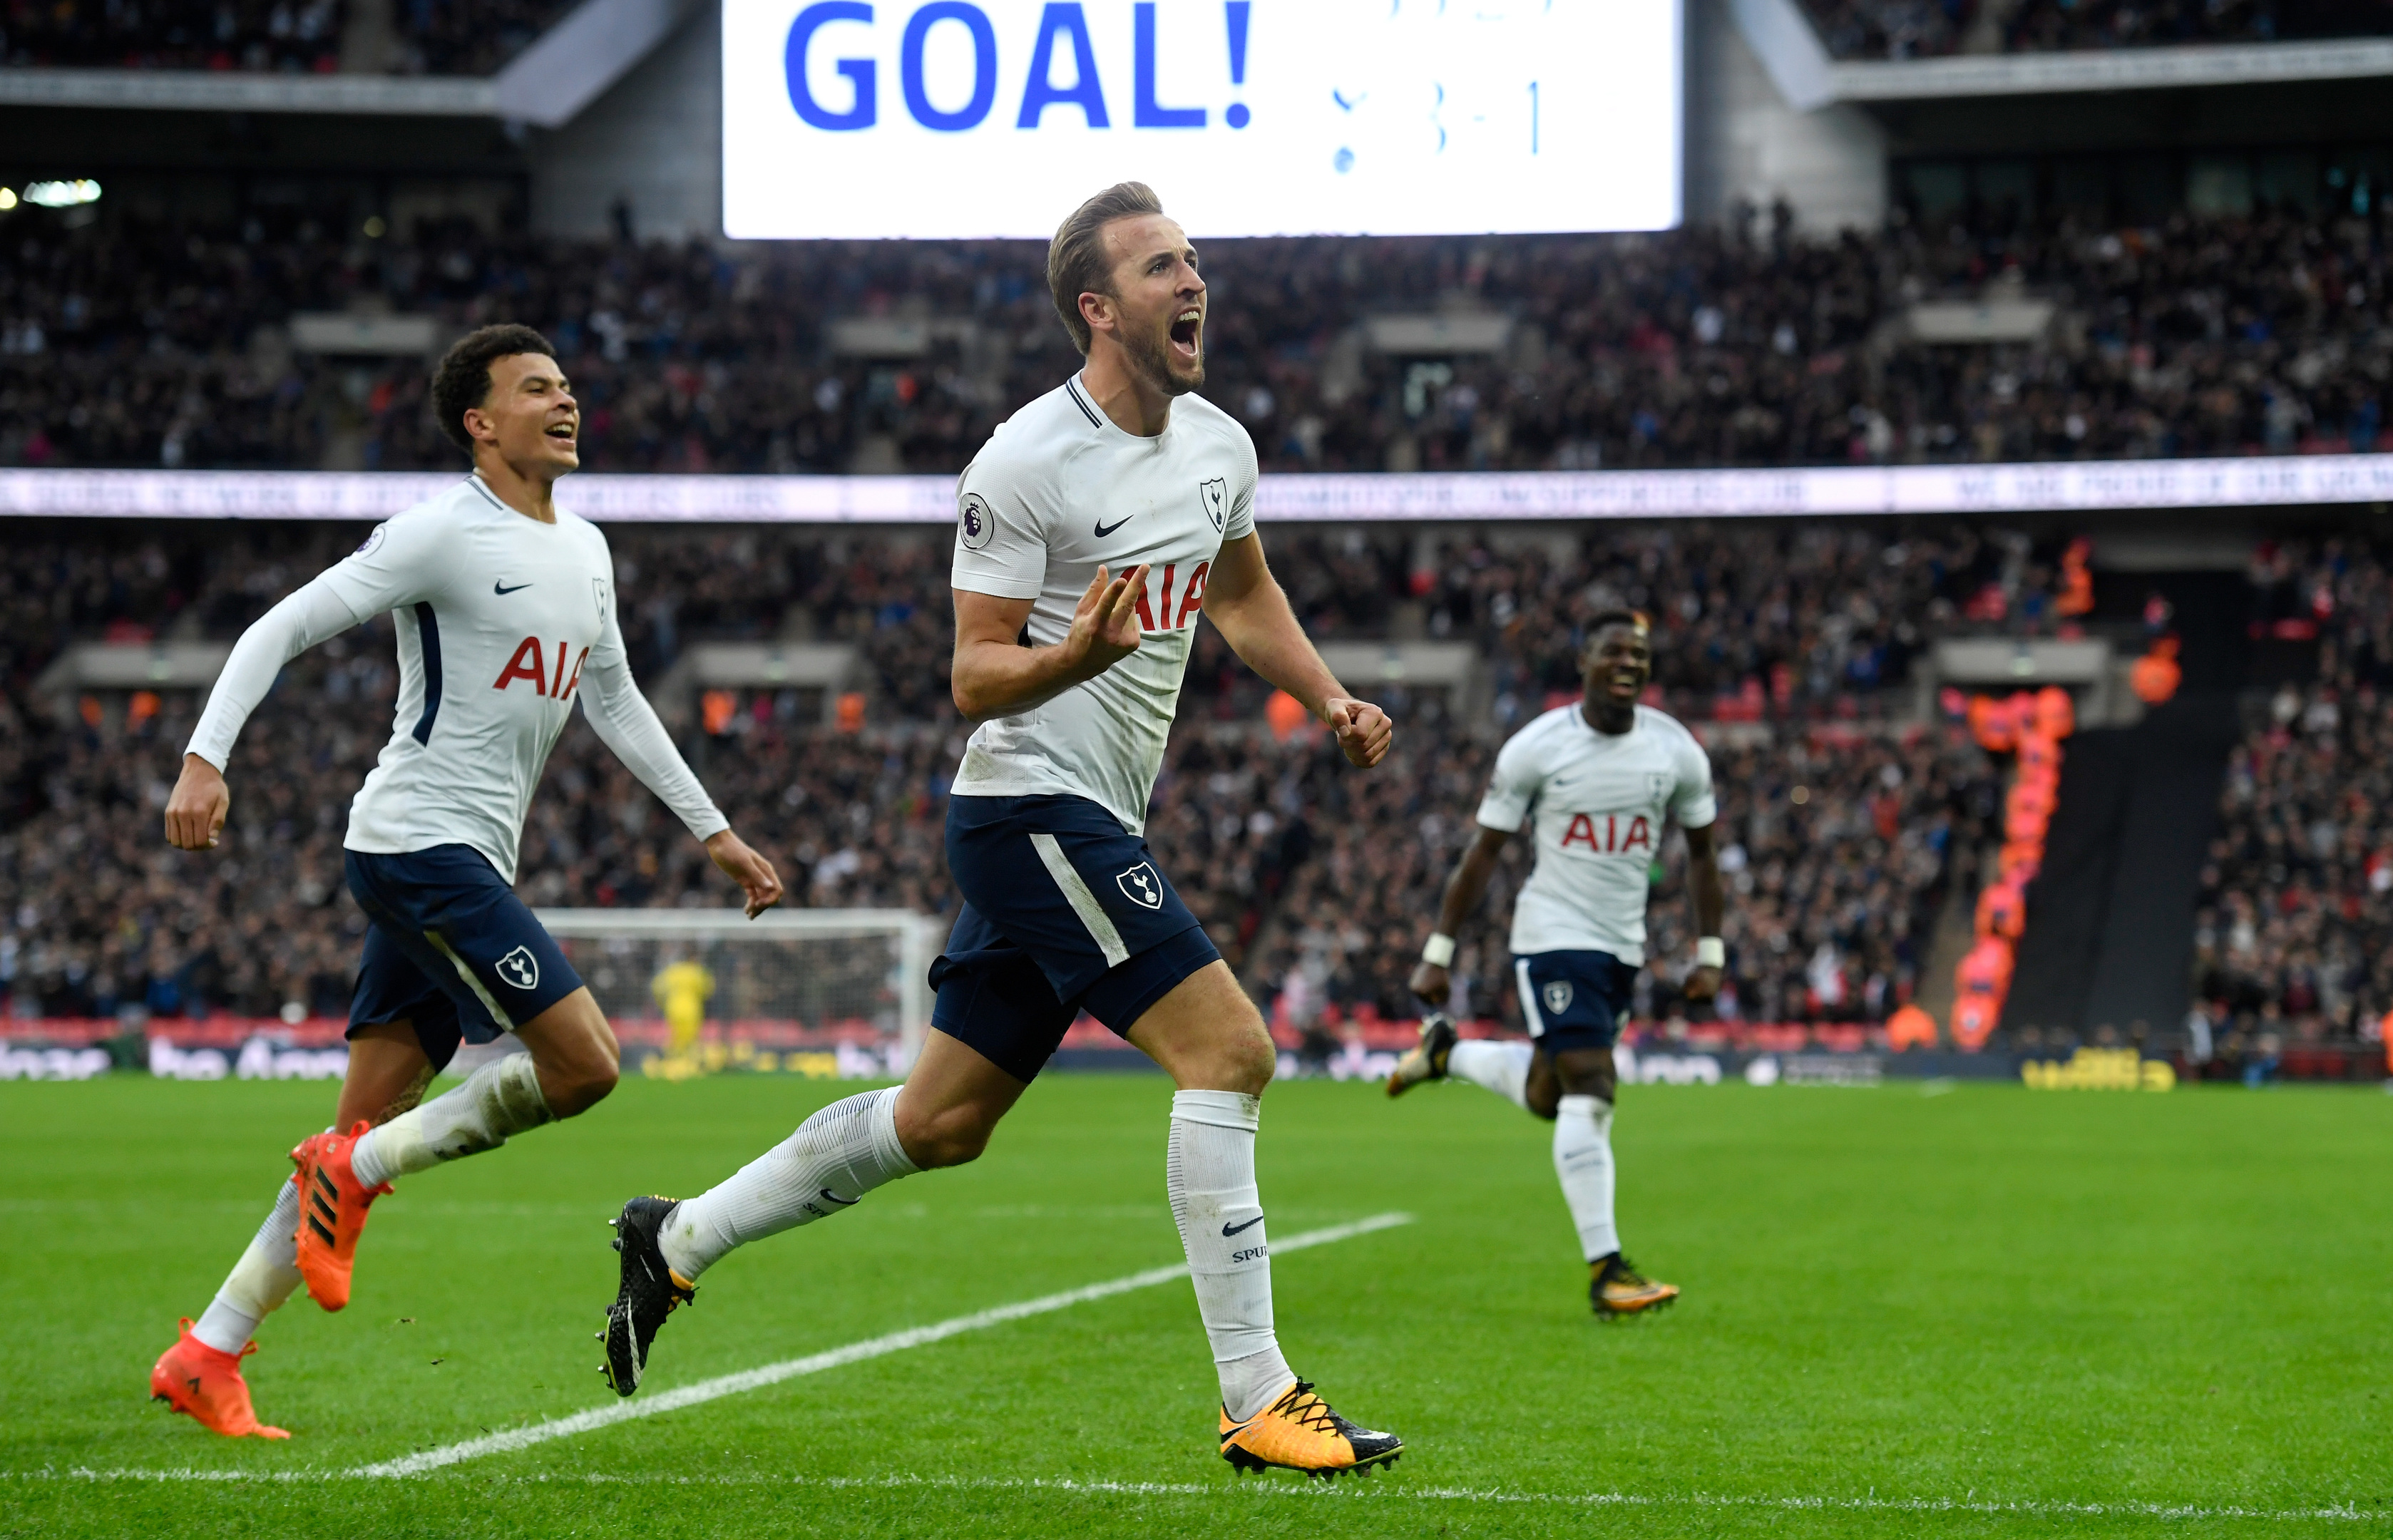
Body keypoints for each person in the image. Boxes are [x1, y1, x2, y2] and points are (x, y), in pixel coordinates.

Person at [599, 183, 1404, 1479]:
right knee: (1231, 1056)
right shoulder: (1024, 459)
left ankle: (675, 1238)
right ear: (1097, 307)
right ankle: (1256, 1397)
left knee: (940, 1125)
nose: (1192, 281)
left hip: (1078, 815)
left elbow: (1241, 594)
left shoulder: (1218, 445)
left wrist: (1327, 696)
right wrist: (1070, 653)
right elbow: (974, 675)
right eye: (1159, 267)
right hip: (1031, 806)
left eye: (1194, 260)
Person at [147, 324, 784, 1439]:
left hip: (471, 858)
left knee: (365, 1123)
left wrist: (715, 832)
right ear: (480, 424)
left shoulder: (586, 551)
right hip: (414, 844)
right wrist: (206, 756)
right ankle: (358, 1169)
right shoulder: (439, 534)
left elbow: (618, 701)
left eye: (568, 385)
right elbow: (281, 626)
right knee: (585, 1065)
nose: (566, 400)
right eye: (537, 389)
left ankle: (210, 1348)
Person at [1385, 612, 1723, 1320]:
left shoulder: (1676, 752)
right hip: (1550, 936)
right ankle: (1607, 1271)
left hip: (1619, 947)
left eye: (1639, 653)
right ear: (1585, 661)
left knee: (1548, 1095)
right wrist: (1437, 953)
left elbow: (1700, 854)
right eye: (1613, 651)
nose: (1627, 662)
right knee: (1592, 1086)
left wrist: (1709, 953)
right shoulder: (1535, 749)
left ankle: (1444, 1054)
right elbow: (1484, 852)